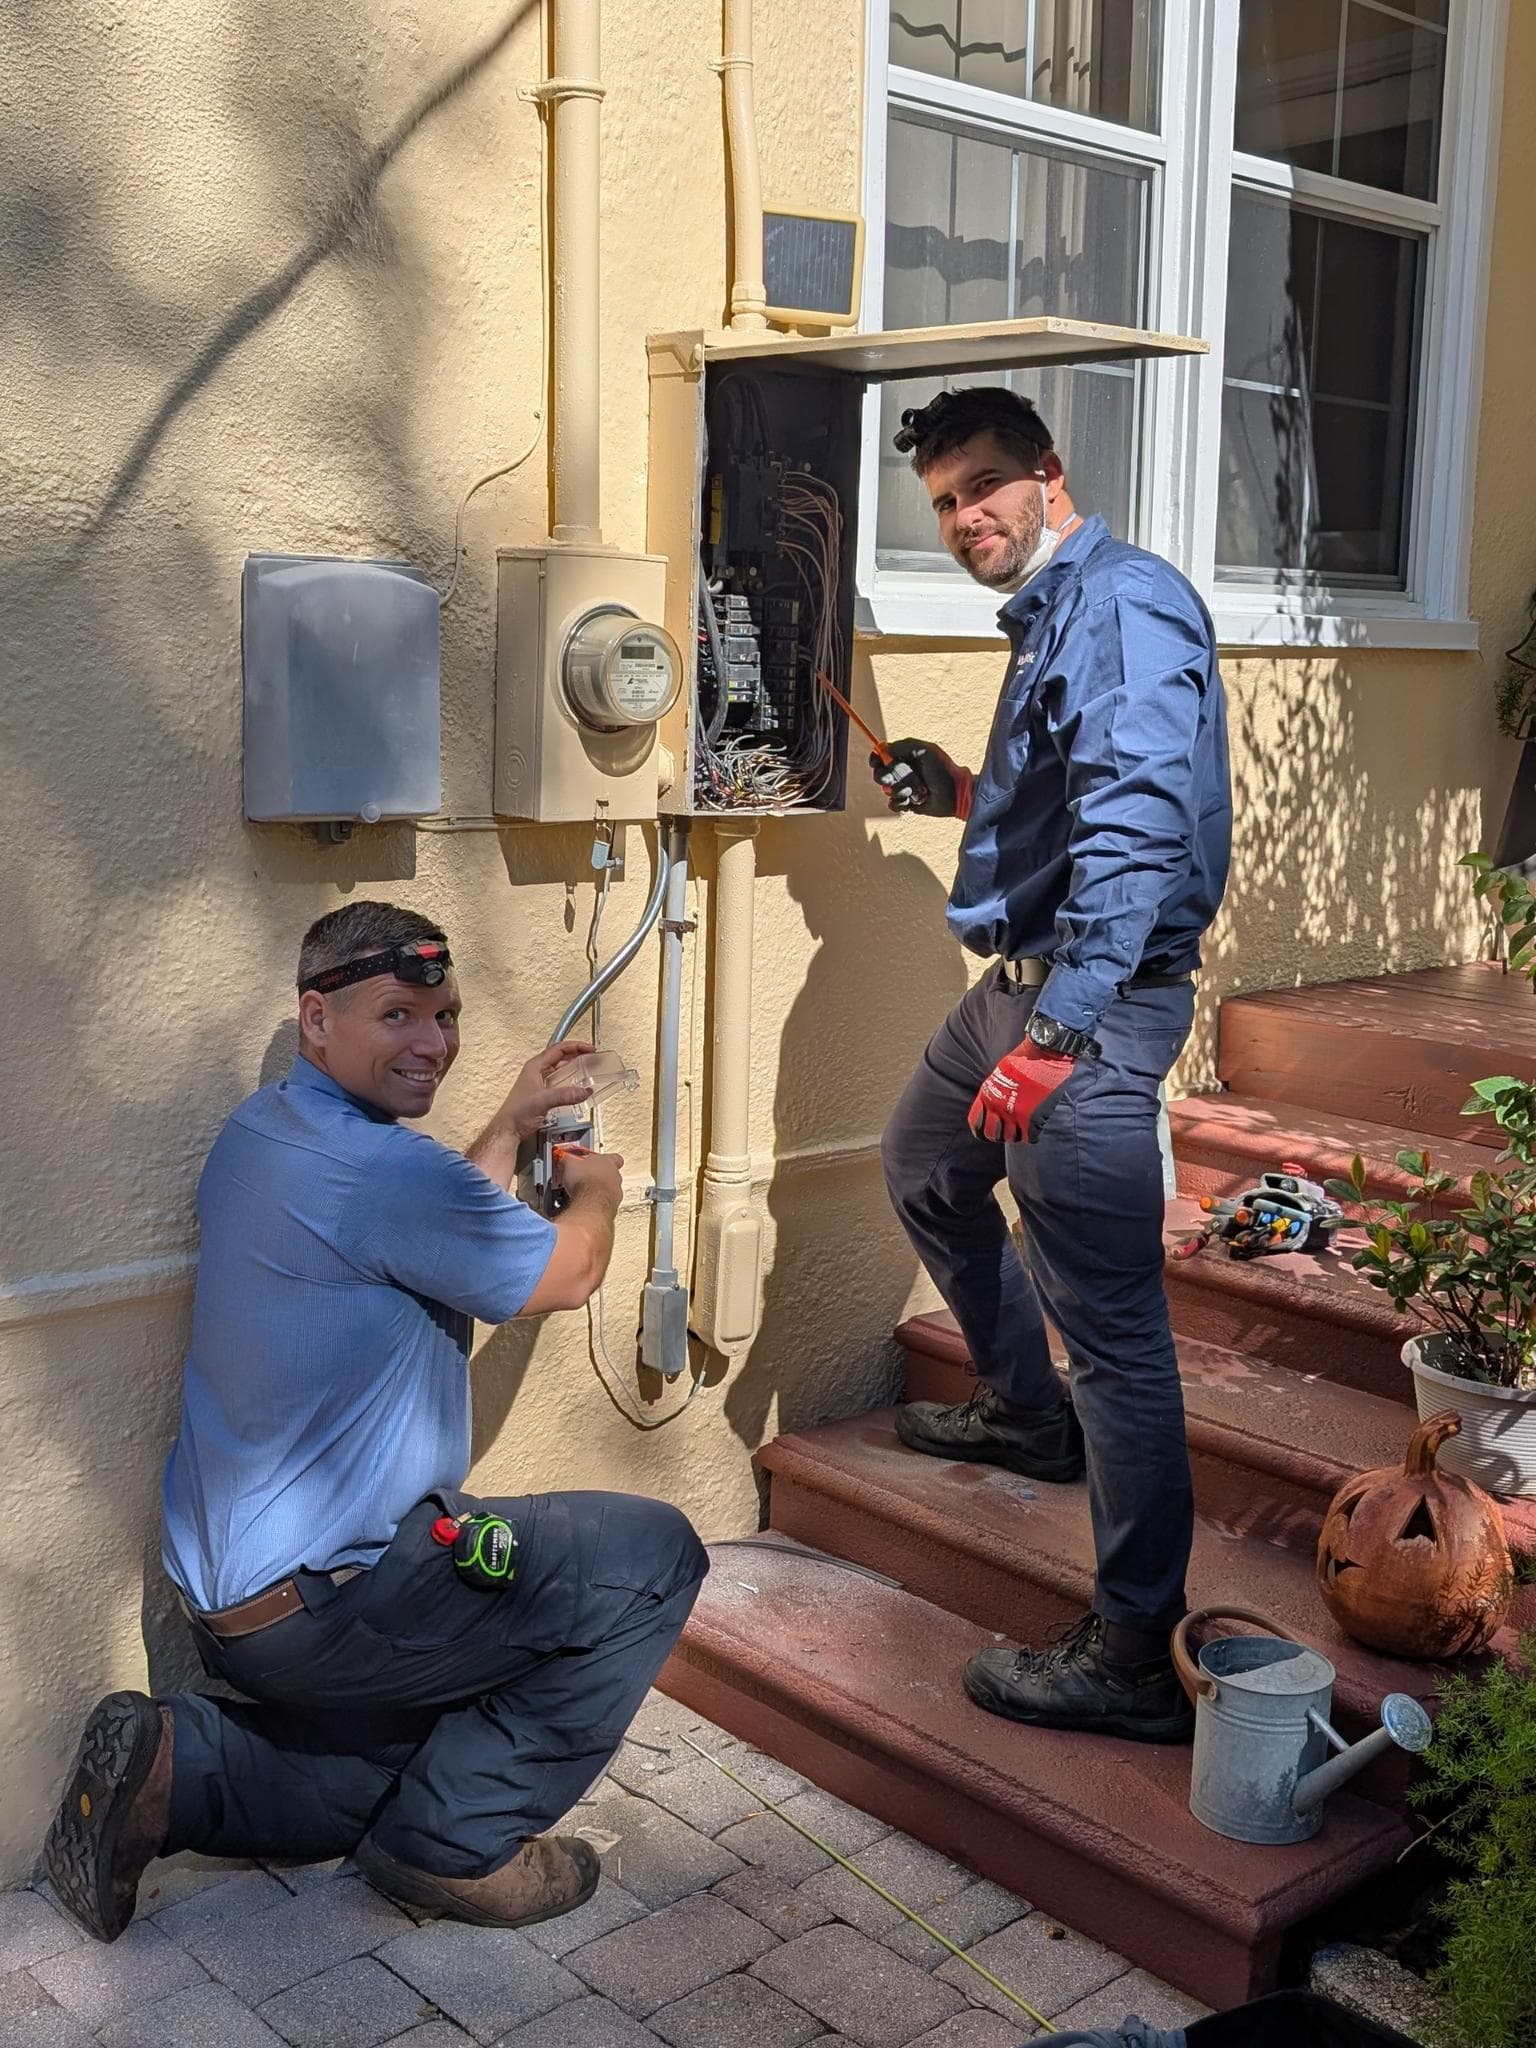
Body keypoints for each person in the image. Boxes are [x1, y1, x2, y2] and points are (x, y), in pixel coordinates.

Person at [44, 901, 707, 1942]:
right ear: (318, 1018)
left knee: (401, 1764)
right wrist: (599, 1193)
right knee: (652, 1555)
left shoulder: (262, 1131)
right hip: (338, 1602)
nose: (433, 1043)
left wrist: (509, 1123)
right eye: (398, 1014)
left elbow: (426, 1229)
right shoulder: (388, 1171)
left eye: (446, 1016)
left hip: (233, 1608)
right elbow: (568, 1273)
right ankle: (459, 1847)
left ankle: (177, 1767)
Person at [876, 387, 1231, 1742]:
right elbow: (1070, 804)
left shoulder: (1122, 604)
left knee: (1118, 1342)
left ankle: (1135, 1652)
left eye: (983, 486)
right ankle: (1028, 1411)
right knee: (925, 1165)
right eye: (945, 502)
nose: (965, 517)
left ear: (1049, 474)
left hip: (1089, 1007)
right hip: (1017, 987)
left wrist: (1060, 1038)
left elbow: (1139, 833)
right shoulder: (1055, 610)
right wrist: (960, 792)